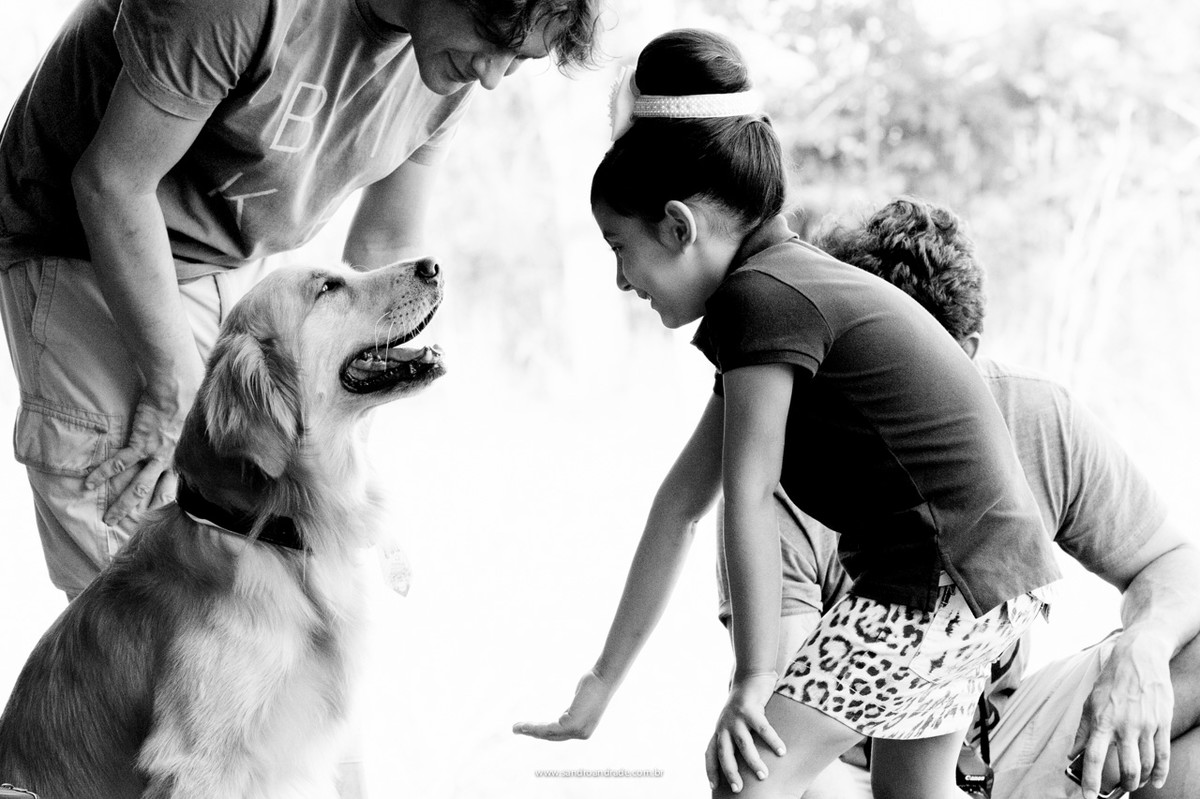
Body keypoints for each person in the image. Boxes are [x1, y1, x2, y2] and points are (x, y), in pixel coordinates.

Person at [0, 1, 597, 795]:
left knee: (299, 635)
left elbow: (384, 250)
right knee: (182, 652)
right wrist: (179, 395)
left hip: (235, 271)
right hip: (93, 255)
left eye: (519, 60)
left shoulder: (447, 62)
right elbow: (111, 184)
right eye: (493, 41)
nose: (493, 77)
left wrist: (347, 437)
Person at [512, 29, 1063, 799]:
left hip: (938, 577)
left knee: (747, 780)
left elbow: (749, 493)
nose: (621, 280)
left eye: (620, 247)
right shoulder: (780, 293)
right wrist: (602, 683)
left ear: (679, 226)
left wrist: (754, 678)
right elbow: (679, 506)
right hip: (984, 574)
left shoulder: (762, 301)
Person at [723, 196, 1198, 799]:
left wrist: (1145, 647)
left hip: (1011, 735)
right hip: (850, 775)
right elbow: (781, 728)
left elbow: (1173, 563)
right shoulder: (787, 459)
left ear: (963, 354)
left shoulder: (1038, 418)